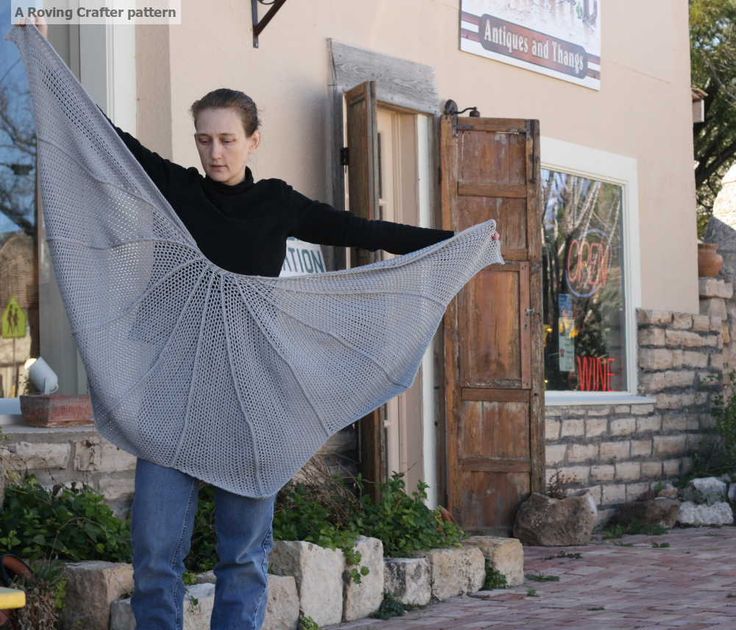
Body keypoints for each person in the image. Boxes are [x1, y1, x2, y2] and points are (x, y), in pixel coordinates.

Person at [21, 16, 501, 630]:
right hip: (171, 396)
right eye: (203, 140)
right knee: (155, 558)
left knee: (243, 559)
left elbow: (361, 230)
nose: (214, 152)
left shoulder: (277, 203)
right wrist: (44, 54)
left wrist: (452, 245)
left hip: (251, 399)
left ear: (253, 141)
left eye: (226, 139)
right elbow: (102, 141)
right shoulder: (175, 191)